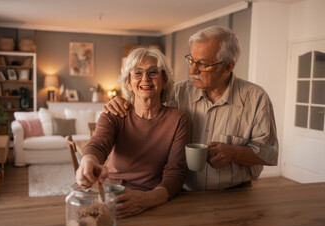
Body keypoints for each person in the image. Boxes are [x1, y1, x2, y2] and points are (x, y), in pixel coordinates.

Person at [103, 26, 279, 191]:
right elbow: (149, 110)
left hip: (234, 194)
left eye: (202, 64)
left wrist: (234, 153)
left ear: (228, 66)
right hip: (183, 193)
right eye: (191, 61)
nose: (192, 71)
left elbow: (269, 154)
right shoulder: (179, 92)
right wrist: (123, 102)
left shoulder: (256, 99)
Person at [76, 47, 191, 218]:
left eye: (153, 72)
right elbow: (99, 143)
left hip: (151, 198)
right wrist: (88, 160)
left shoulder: (179, 120)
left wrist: (148, 199)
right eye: (137, 73)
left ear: (164, 79)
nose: (145, 78)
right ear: (129, 82)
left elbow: (176, 172)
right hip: (110, 194)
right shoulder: (115, 113)